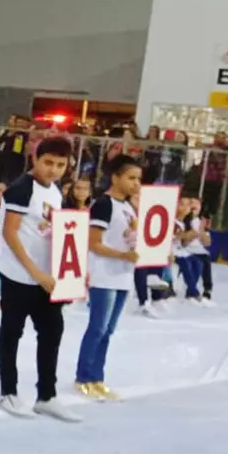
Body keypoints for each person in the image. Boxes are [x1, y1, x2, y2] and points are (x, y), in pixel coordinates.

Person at [0, 136, 78, 423]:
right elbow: (10, 233)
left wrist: (70, 269)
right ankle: (8, 392)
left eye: (60, 164)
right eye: (48, 163)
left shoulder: (54, 190)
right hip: (19, 275)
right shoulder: (21, 189)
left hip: (46, 278)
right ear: (35, 159)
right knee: (11, 333)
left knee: (52, 333)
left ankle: (47, 395)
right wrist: (35, 271)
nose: (53, 169)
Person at [75, 155, 141, 401]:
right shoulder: (104, 204)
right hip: (104, 274)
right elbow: (93, 243)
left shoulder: (127, 207)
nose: (136, 183)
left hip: (123, 275)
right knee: (98, 327)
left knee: (109, 330)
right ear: (115, 177)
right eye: (131, 178)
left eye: (138, 179)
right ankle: (83, 376)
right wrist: (122, 255)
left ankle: (97, 377)